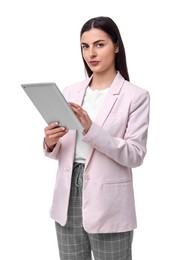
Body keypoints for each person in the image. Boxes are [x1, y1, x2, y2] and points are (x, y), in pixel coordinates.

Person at [43, 16, 150, 260]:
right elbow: (63, 148)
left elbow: (135, 154)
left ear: (116, 46)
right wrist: (51, 142)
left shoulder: (136, 96)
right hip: (67, 196)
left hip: (109, 202)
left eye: (99, 44)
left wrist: (92, 129)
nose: (91, 53)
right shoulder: (70, 92)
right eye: (85, 46)